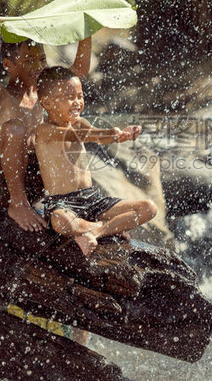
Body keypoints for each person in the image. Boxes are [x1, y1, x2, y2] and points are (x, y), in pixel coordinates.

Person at [0, 15, 92, 232]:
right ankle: (18, 204)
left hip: (32, 181)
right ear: (9, 65)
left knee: (66, 126)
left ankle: (77, 206)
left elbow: (78, 71)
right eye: (30, 61)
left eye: (42, 60)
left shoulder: (44, 95)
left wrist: (85, 31)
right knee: (15, 128)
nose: (39, 66)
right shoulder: (3, 97)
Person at [35, 66, 157, 256]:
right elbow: (78, 135)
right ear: (47, 102)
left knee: (148, 208)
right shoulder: (44, 131)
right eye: (70, 97)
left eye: (80, 96)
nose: (77, 102)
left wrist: (121, 136)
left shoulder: (80, 122)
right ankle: (107, 228)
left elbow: (96, 137)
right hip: (63, 204)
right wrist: (110, 132)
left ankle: (96, 231)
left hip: (92, 199)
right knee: (59, 221)